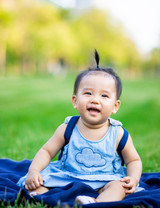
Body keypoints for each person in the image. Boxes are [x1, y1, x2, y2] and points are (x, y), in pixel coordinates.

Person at [17, 51, 142, 204]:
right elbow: (47, 151)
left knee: (119, 187)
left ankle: (95, 203)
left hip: (105, 180)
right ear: (75, 101)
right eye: (88, 93)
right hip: (66, 177)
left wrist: (133, 179)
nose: (95, 100)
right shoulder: (67, 128)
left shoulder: (118, 134)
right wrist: (34, 171)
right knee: (35, 184)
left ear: (115, 106)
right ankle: (45, 197)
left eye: (104, 96)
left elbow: (134, 160)